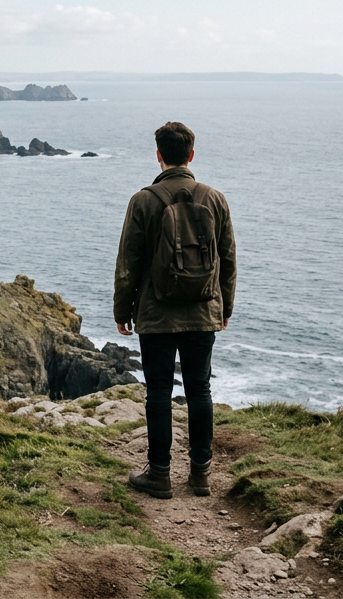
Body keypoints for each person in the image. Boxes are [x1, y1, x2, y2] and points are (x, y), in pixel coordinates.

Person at [114, 121, 236, 499]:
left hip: (156, 313)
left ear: (159, 155)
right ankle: (200, 475)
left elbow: (128, 263)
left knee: (158, 392)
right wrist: (225, 308)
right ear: (191, 155)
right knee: (200, 389)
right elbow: (228, 260)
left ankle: (160, 474)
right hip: (203, 310)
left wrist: (122, 311)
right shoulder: (215, 199)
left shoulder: (143, 200)